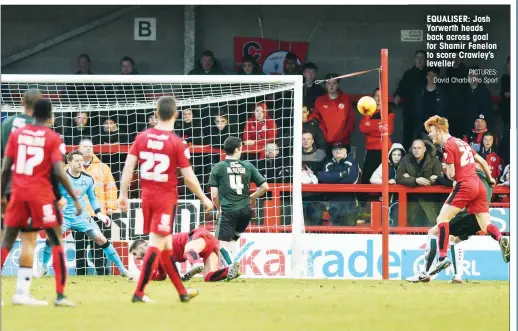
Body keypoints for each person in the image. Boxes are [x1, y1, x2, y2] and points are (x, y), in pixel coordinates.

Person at [118, 96, 213, 303]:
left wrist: (123, 194)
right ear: (176, 115)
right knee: (156, 245)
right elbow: (189, 178)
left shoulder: (142, 137)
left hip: (147, 198)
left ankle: (181, 292)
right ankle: (139, 292)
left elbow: (128, 166)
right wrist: (204, 198)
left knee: (167, 248)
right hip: (164, 200)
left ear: (156, 113)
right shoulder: (176, 143)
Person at [1, 99, 81, 306]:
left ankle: (21, 293)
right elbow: (58, 172)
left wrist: (1, 196)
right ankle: (61, 295)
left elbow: (5, 167)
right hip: (41, 197)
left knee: (9, 241)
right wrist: (73, 197)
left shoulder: (17, 134)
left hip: (17, 194)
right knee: (56, 242)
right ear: (50, 116)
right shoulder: (52, 137)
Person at [424, 115, 509, 274]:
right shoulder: (462, 142)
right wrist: (490, 179)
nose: (429, 134)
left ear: (440, 131)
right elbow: (483, 162)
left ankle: (442, 259)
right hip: (479, 185)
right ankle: (501, 238)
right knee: (485, 225)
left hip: (465, 185)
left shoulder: (448, 146)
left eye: (431, 131)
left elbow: (452, 175)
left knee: (442, 219)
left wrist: (447, 170)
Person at [406, 165, 503, 283]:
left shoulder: (470, 178)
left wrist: (446, 173)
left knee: (433, 232)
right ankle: (457, 276)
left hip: (466, 214)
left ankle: (424, 273)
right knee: (454, 239)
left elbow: (457, 186)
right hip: (480, 218)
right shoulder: (488, 182)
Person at [39, 151, 129, 277]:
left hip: (81, 216)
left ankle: (123, 270)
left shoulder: (87, 179)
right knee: (51, 239)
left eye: (81, 161)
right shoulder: (61, 178)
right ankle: (43, 267)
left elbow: (92, 198)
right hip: (64, 216)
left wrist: (99, 213)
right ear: (69, 162)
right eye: (77, 161)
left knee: (101, 239)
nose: (80, 163)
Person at [209, 137, 269, 265]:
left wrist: (219, 209)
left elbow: (214, 196)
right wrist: (252, 197)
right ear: (237, 150)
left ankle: (230, 268)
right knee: (231, 241)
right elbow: (265, 187)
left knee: (218, 244)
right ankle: (228, 267)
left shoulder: (218, 167)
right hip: (246, 212)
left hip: (229, 212)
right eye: (241, 148)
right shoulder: (248, 166)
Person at [129, 228, 241, 283]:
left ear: (142, 248)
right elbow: (161, 276)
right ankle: (229, 270)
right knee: (208, 277)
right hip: (209, 246)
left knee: (188, 251)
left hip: (198, 237)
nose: (135, 258)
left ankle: (195, 263)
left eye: (135, 253)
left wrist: (140, 278)